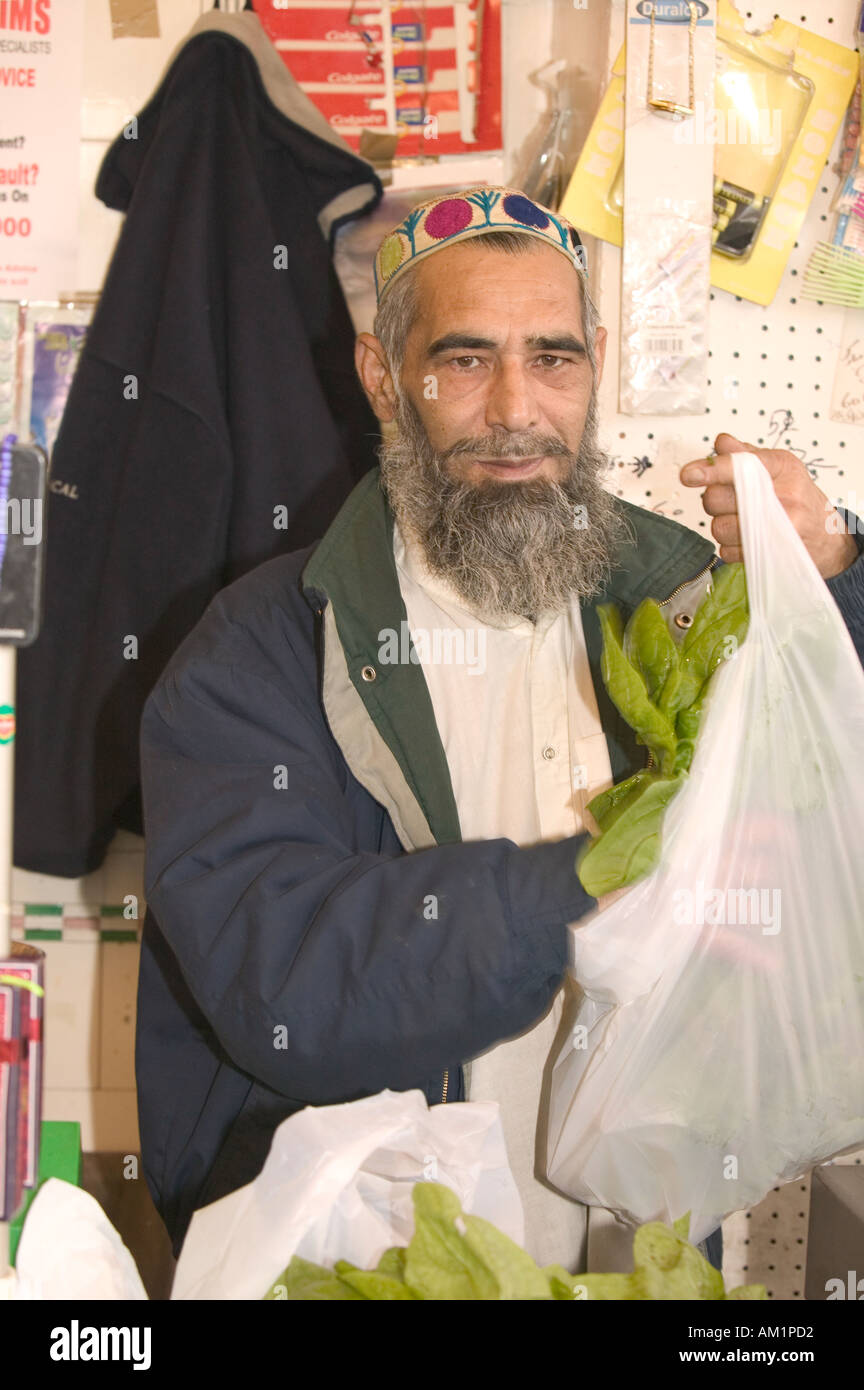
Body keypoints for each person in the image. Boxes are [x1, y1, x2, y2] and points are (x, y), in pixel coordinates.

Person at [136, 187, 864, 1270]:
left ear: (598, 365)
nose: (517, 407)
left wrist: (831, 587)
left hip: (627, 1254)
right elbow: (276, 968)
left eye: (555, 358)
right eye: (466, 360)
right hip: (366, 1264)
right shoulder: (261, 651)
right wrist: (588, 880)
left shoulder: (684, 602)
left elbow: (831, 802)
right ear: (388, 380)